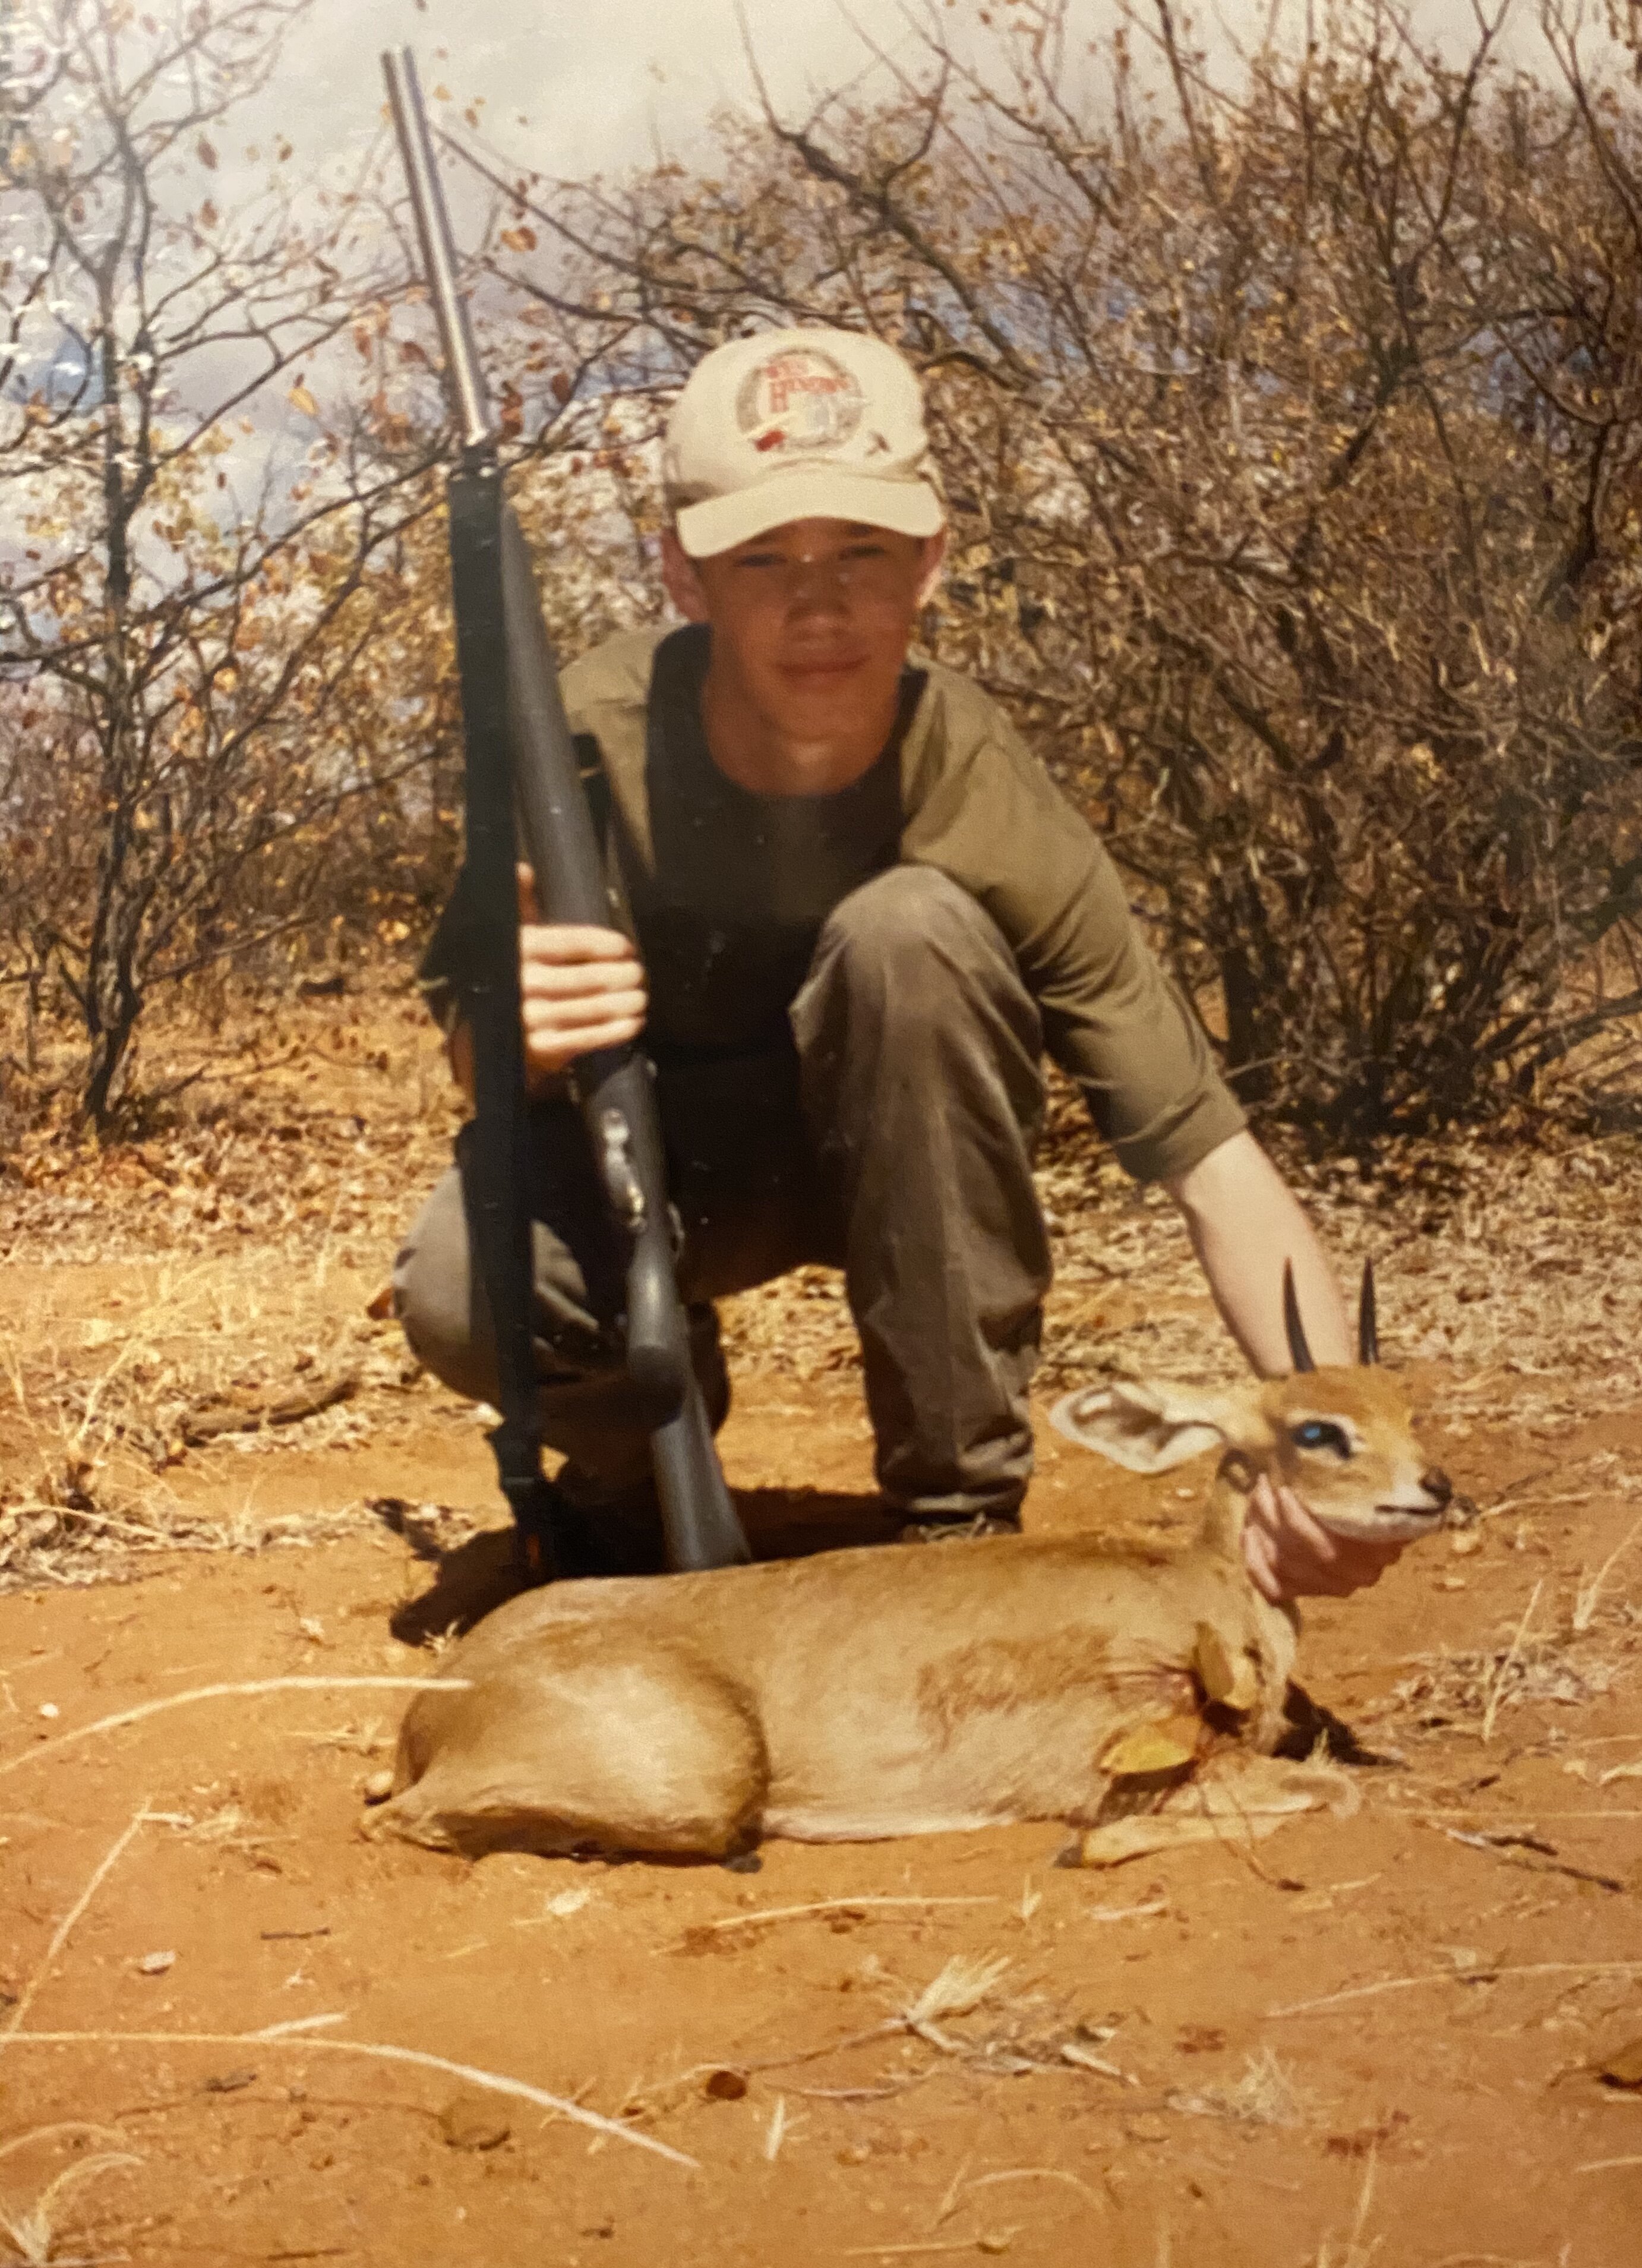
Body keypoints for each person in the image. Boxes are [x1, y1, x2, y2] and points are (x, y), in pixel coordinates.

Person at [394, 326, 1403, 1601]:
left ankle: (956, 1522)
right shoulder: (576, 740)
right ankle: (629, 1490)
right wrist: (523, 1036)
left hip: (914, 1174)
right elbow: (477, 1064)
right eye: (764, 559)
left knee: (910, 929)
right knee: (461, 1286)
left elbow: (1211, 1162)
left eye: (861, 552)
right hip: (665, 1183)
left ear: (930, 562)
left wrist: (1318, 1440)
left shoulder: (975, 769)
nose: (820, 606)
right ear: (684, 577)